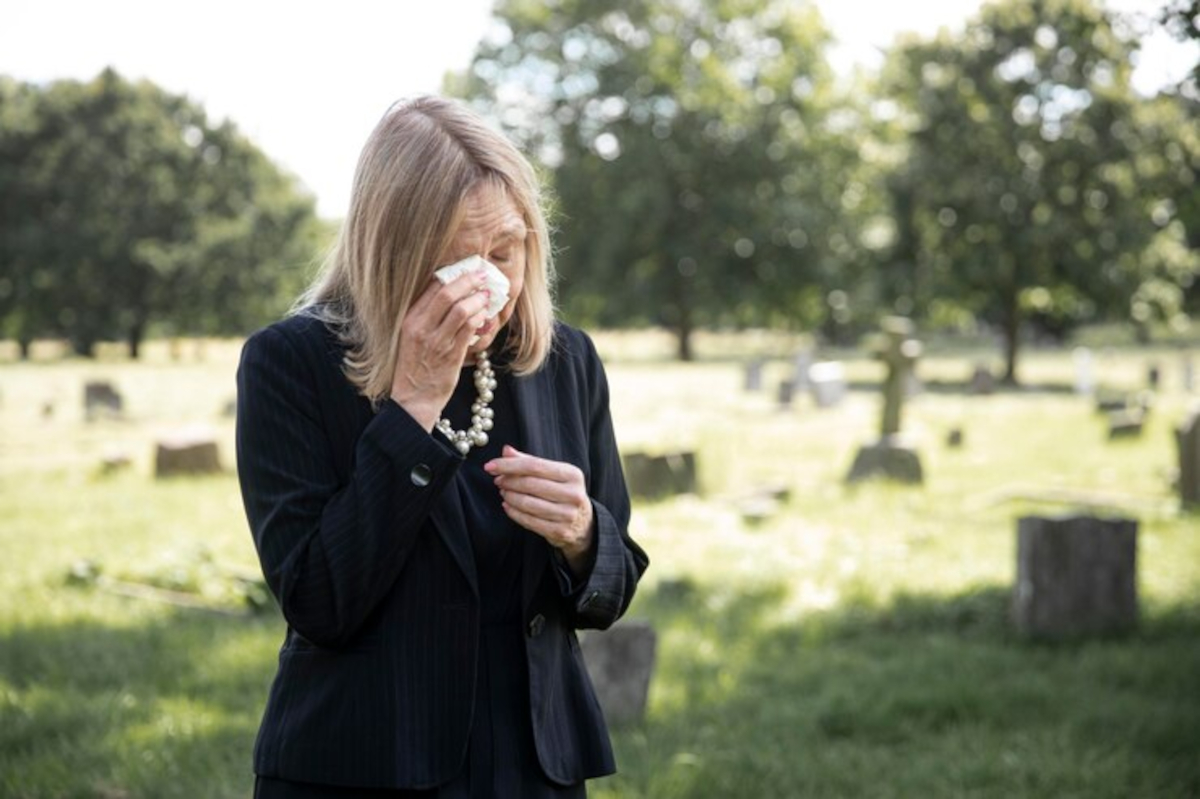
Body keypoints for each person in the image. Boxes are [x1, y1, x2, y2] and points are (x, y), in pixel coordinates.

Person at [234, 96, 649, 798]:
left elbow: (611, 591)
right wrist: (412, 408)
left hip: (532, 768)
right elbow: (318, 602)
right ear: (391, 252)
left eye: (504, 251)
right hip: (363, 765)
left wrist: (583, 536)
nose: (488, 283)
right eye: (456, 260)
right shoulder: (291, 362)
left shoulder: (564, 360)